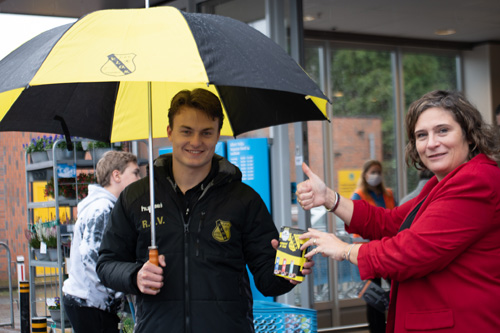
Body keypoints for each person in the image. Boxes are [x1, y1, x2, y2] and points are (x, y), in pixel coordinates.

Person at [96, 88, 313, 333]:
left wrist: (286, 274)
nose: (196, 142)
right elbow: (106, 264)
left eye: (206, 133)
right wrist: (135, 275)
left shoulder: (244, 199)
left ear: (217, 135)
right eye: (186, 131)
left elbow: (267, 279)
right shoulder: (136, 197)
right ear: (170, 132)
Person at [296, 90, 500, 332]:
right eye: (421, 135)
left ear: (469, 135)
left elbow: (412, 252)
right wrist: (329, 198)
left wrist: (345, 250)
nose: (432, 143)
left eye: (443, 130)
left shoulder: (477, 180)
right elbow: (391, 222)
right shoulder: (442, 183)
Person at [62, 151, 141, 332]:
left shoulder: (104, 206)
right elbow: (92, 258)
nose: (139, 178)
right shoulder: (103, 209)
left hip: (89, 302)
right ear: (116, 175)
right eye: (135, 173)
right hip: (91, 303)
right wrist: (118, 291)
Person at [351, 159, 396, 333]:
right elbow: (355, 225)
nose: (376, 176)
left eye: (379, 172)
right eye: (372, 172)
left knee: (398, 289)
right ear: (365, 175)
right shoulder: (359, 195)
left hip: (389, 250)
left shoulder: (388, 194)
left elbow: (395, 218)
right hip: (368, 253)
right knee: (373, 297)